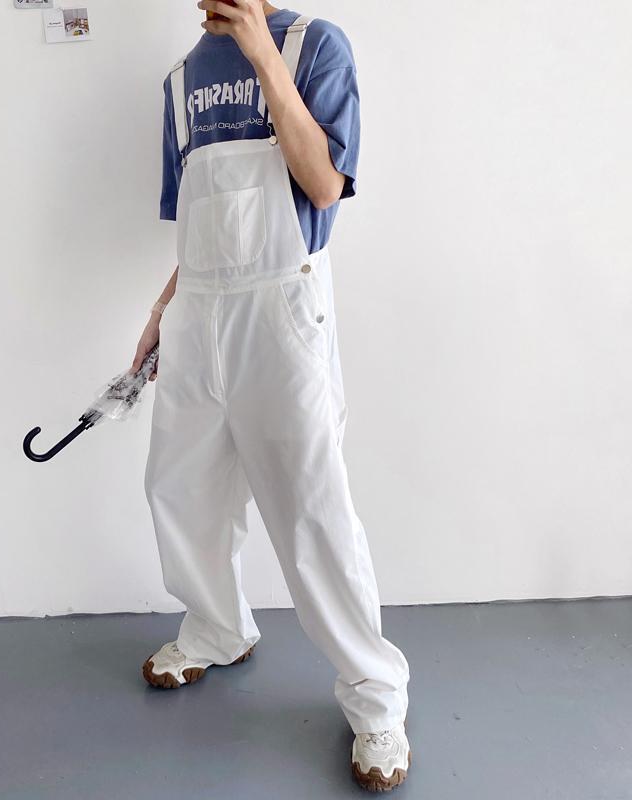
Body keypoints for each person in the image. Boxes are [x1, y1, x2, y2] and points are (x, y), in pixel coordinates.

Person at [131, 1, 411, 791]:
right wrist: (162, 314)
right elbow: (199, 225)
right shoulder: (180, 81)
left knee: (311, 511)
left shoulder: (313, 46)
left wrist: (262, 54)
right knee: (181, 491)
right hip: (200, 313)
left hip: (282, 310)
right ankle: (217, 628)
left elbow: (321, 186)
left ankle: (377, 698)